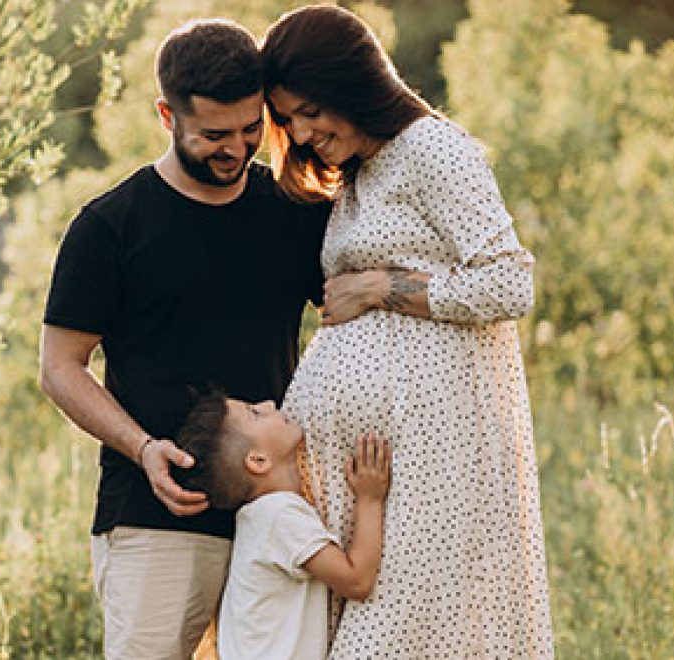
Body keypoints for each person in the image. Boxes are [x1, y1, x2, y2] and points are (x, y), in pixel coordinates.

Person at [259, 5, 554, 658]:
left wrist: (379, 288)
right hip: (377, 474)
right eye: (289, 120)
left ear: (350, 84)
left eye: (310, 111)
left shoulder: (433, 148)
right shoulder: (363, 170)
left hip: (434, 460)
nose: (302, 134)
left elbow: (509, 283)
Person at [39, 18, 328, 659]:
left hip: (281, 509)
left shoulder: (293, 208)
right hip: (157, 511)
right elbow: (60, 366)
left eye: (253, 128)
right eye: (215, 135)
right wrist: (142, 448)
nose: (238, 147)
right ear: (167, 116)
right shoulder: (109, 227)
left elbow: (344, 313)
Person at [174, 391, 391, 660]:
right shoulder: (279, 517)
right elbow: (357, 581)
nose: (269, 404)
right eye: (255, 413)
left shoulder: (261, 518)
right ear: (258, 461)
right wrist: (369, 498)